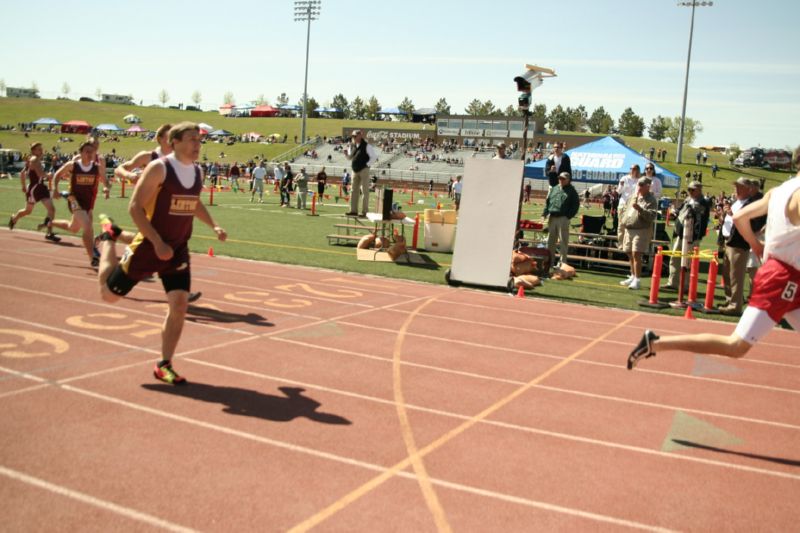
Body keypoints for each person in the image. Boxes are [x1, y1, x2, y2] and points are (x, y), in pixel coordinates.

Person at [628, 149, 800, 369]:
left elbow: (740, 217)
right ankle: (655, 343)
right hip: (782, 277)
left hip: (788, 271)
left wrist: (757, 246)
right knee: (736, 345)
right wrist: (758, 246)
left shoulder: (779, 191)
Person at [96, 122, 227, 385]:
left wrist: (213, 224)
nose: (197, 145)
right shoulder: (160, 168)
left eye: (199, 140)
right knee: (108, 295)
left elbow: (194, 202)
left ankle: (164, 364)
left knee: (179, 305)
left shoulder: (198, 172)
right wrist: (156, 242)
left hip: (177, 250)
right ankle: (110, 237)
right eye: (191, 139)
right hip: (148, 247)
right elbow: (135, 208)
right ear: (174, 141)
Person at [50, 139, 108, 267]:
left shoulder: (97, 167)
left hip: (88, 202)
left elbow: (105, 179)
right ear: (80, 153)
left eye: (91, 152)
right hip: (74, 199)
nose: (89, 154)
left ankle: (49, 222)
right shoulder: (73, 165)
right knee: (87, 225)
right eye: (87, 151)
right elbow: (57, 175)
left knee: (74, 228)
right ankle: (93, 257)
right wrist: (55, 189)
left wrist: (106, 187)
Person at [720, 177, 766, 316]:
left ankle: (735, 306)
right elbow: (729, 221)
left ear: (748, 189)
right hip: (728, 241)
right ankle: (730, 301)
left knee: (736, 276)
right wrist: (725, 214)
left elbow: (753, 225)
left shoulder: (752, 204)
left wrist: (732, 214)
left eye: (739, 186)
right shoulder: (737, 202)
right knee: (727, 275)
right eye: (735, 186)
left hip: (739, 243)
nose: (736, 188)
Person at [663, 181, 711, 292]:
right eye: (689, 189)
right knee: (675, 257)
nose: (690, 192)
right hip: (681, 234)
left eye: (692, 190)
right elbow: (681, 210)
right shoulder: (688, 199)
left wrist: (689, 209)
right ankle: (673, 282)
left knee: (688, 262)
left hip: (692, 236)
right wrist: (675, 212)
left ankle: (685, 286)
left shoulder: (703, 202)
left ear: (699, 190)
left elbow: (698, 216)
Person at [8, 142, 60, 242]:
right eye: (39, 149)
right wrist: (49, 175)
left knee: (52, 209)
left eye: (41, 149)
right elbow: (40, 173)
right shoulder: (34, 159)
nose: (41, 151)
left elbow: (23, 173)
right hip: (34, 189)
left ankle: (49, 232)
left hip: (41, 187)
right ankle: (14, 218)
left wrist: (23, 186)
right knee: (28, 211)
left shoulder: (33, 160)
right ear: (33, 151)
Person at [619, 177, 658, 290]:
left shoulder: (651, 200)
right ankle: (632, 275)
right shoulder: (634, 196)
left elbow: (651, 216)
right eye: (638, 184)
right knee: (629, 253)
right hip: (629, 228)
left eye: (642, 185)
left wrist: (640, 209)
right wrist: (623, 218)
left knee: (636, 254)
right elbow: (626, 208)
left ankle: (637, 279)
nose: (639, 187)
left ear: (648, 186)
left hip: (641, 229)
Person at [542, 171, 579, 269]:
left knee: (563, 241)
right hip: (552, 217)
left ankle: (562, 263)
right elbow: (548, 202)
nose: (561, 180)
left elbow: (575, 205)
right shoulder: (554, 188)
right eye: (560, 178)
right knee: (550, 241)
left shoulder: (572, 191)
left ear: (568, 180)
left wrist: (568, 216)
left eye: (563, 179)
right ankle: (550, 262)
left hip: (563, 218)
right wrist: (544, 214)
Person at [344, 130, 377, 217]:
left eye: (355, 136)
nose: (353, 138)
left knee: (365, 191)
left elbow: (373, 157)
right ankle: (353, 210)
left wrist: (367, 165)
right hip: (354, 170)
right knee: (353, 190)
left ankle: (365, 212)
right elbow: (350, 158)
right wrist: (346, 154)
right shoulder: (353, 145)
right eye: (353, 136)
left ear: (360, 136)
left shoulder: (367, 146)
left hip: (364, 170)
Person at [616, 164, 641, 248]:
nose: (633, 170)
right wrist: (621, 185)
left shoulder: (639, 180)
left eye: (635, 169)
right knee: (621, 224)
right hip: (623, 204)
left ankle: (627, 244)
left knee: (630, 225)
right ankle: (620, 243)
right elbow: (619, 192)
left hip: (632, 206)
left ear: (638, 170)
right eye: (632, 168)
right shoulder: (624, 178)